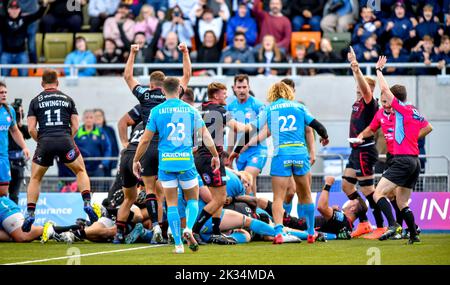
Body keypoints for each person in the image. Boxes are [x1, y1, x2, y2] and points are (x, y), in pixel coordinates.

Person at [232, 82, 329, 244]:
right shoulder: (299, 107)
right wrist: (324, 136)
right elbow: (317, 126)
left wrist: (237, 149)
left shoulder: (269, 109)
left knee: (278, 198)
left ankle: (278, 231)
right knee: (305, 195)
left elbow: (252, 129)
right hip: (300, 153)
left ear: (272, 94)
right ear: (288, 92)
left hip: (281, 154)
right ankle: (311, 232)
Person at [132, 74, 220, 253]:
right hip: (185, 162)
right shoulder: (191, 110)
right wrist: (215, 155)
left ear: (163, 91)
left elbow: (145, 140)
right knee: (192, 200)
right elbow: (205, 135)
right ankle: (189, 228)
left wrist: (136, 159)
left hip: (166, 163)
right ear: (180, 90)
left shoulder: (156, 111)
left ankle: (178, 245)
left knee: (171, 203)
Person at [123, 40, 192, 244]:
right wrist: (185, 53)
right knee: (175, 189)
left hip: (150, 146)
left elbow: (127, 76)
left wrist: (133, 52)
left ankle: (155, 227)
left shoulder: (144, 94)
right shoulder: (172, 95)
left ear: (151, 84)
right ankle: (174, 228)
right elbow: (187, 75)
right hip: (171, 146)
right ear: (166, 86)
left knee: (151, 189)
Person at [22, 69, 100, 233]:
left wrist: (41, 141)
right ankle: (86, 201)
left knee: (35, 178)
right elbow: (76, 126)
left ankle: (30, 212)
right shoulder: (68, 99)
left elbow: (30, 129)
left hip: (45, 142)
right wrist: (67, 139)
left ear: (42, 83)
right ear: (57, 83)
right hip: (65, 141)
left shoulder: (35, 101)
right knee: (80, 170)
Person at [373, 56, 433, 244]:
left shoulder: (401, 110)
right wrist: (412, 138)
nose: (388, 102)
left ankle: (393, 225)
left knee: (378, 193)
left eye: (390, 99)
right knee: (402, 202)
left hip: (403, 159)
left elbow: (383, 89)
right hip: (414, 161)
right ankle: (414, 234)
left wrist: (379, 70)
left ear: (395, 98)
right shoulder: (413, 110)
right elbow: (429, 126)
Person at [192, 82, 251, 245]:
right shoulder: (220, 110)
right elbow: (238, 128)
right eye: (224, 93)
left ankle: (216, 231)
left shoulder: (198, 109)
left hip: (201, 157)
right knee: (218, 200)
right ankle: (195, 231)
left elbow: (194, 136)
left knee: (220, 196)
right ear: (216, 95)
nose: (226, 95)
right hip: (211, 159)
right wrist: (255, 125)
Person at [342, 46, 384, 238]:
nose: (357, 88)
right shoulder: (357, 102)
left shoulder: (370, 103)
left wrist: (355, 67)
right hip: (355, 151)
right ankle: (365, 222)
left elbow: (365, 89)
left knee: (369, 190)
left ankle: (384, 225)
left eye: (361, 86)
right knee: (347, 187)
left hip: (365, 151)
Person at [226, 74, 266, 196]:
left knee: (247, 178)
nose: (242, 90)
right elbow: (233, 131)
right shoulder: (231, 106)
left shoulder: (258, 106)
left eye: (244, 87)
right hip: (239, 153)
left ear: (249, 87)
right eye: (239, 87)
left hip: (257, 151)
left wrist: (248, 144)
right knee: (248, 187)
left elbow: (265, 130)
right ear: (234, 88)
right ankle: (255, 211)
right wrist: (228, 155)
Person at [0, 0, 47, 77]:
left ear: (19, 10)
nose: (14, 11)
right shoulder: (3, 20)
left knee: (24, 77)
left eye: (16, 8)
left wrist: (44, 5)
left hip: (21, 53)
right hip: (6, 54)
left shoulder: (25, 19)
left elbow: (38, 15)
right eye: (12, 8)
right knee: (3, 78)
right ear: (8, 10)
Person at [0, 82, 30, 199]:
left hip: (3, 157)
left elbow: (15, 131)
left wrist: (24, 147)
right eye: (1, 92)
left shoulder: (9, 110)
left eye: (5, 92)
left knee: (3, 193)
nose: (4, 95)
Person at [74, 110, 112, 178]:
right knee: (83, 188)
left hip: (98, 168)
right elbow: (72, 148)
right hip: (81, 168)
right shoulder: (77, 132)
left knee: (98, 188)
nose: (89, 120)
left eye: (91, 117)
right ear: (83, 119)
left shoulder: (101, 132)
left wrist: (103, 164)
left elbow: (107, 148)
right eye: (86, 117)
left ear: (94, 119)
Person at [7, 99, 31, 204]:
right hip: (5, 160)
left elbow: (29, 134)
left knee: (14, 193)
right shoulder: (6, 126)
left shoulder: (22, 128)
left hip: (18, 162)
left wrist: (20, 123)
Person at [94, 108, 119, 176]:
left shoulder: (110, 130)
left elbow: (115, 147)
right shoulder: (91, 132)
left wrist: (115, 163)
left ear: (103, 117)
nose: (98, 118)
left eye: (100, 115)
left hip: (110, 164)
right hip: (97, 166)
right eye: (96, 116)